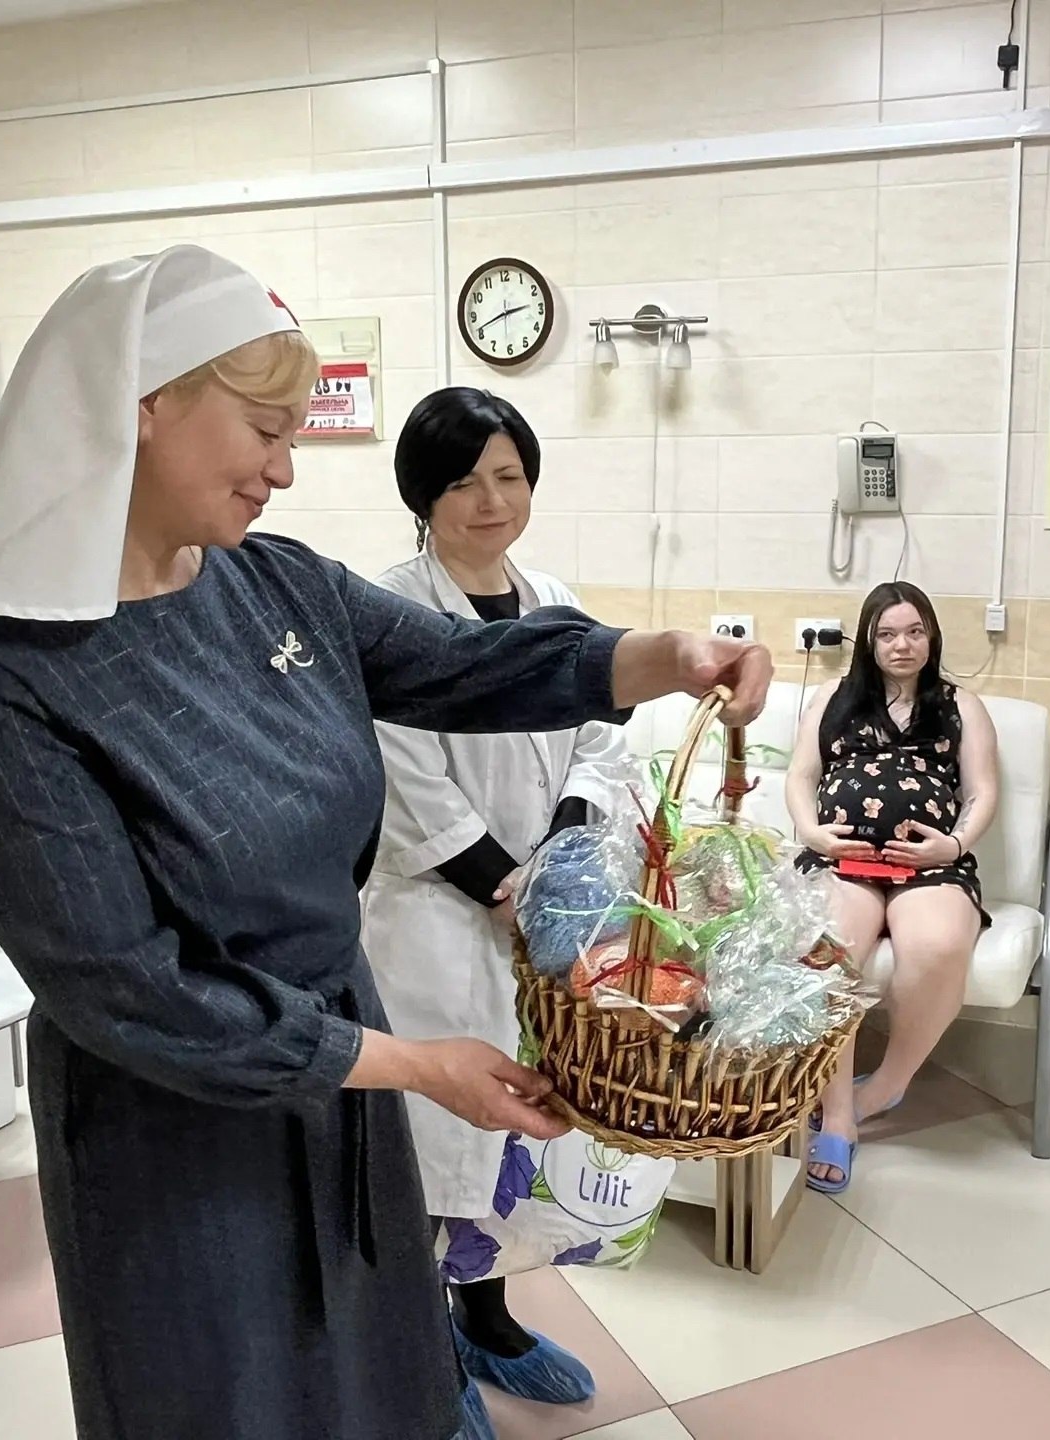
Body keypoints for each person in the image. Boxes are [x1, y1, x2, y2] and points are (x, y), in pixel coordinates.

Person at [0, 246, 773, 1440]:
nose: (284, 466)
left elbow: (462, 662)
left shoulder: (272, 586)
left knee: (377, 1371)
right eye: (265, 430)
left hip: (341, 1072)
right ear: (142, 406)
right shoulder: (8, 689)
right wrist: (413, 1065)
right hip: (175, 1127)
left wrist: (661, 658)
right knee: (233, 1398)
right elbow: (133, 996)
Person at [363, 388, 625, 1420]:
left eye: (509, 477)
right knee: (435, 1152)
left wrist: (561, 853)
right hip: (434, 923)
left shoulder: (552, 598)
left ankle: (489, 1323)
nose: (491, 501)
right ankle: (423, 1362)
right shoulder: (390, 609)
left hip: (537, 918)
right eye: (465, 482)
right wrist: (502, 886)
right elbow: (405, 781)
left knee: (516, 1141)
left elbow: (600, 738)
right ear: (422, 495)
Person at [784, 581, 998, 1194]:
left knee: (937, 946)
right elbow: (800, 776)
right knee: (827, 949)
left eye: (914, 631)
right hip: (842, 859)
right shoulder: (833, 697)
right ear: (869, 641)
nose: (902, 645)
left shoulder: (961, 705)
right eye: (887, 634)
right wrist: (814, 834)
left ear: (931, 636)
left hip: (930, 863)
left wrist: (952, 845)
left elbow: (982, 790)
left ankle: (884, 1087)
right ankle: (839, 1118)